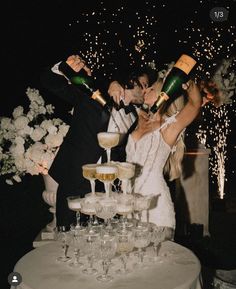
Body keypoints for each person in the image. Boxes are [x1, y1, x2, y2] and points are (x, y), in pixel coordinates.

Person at [40, 55, 149, 227]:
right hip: (74, 182)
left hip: (103, 190)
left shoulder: (134, 116)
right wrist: (62, 67)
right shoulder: (92, 94)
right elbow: (50, 82)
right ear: (130, 81)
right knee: (69, 236)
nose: (146, 90)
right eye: (143, 85)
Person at [125, 77, 202, 239]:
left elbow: (195, 104)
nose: (145, 90)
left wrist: (189, 83)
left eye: (151, 89)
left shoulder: (169, 127)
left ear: (164, 94)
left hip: (155, 207)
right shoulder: (138, 117)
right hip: (129, 203)